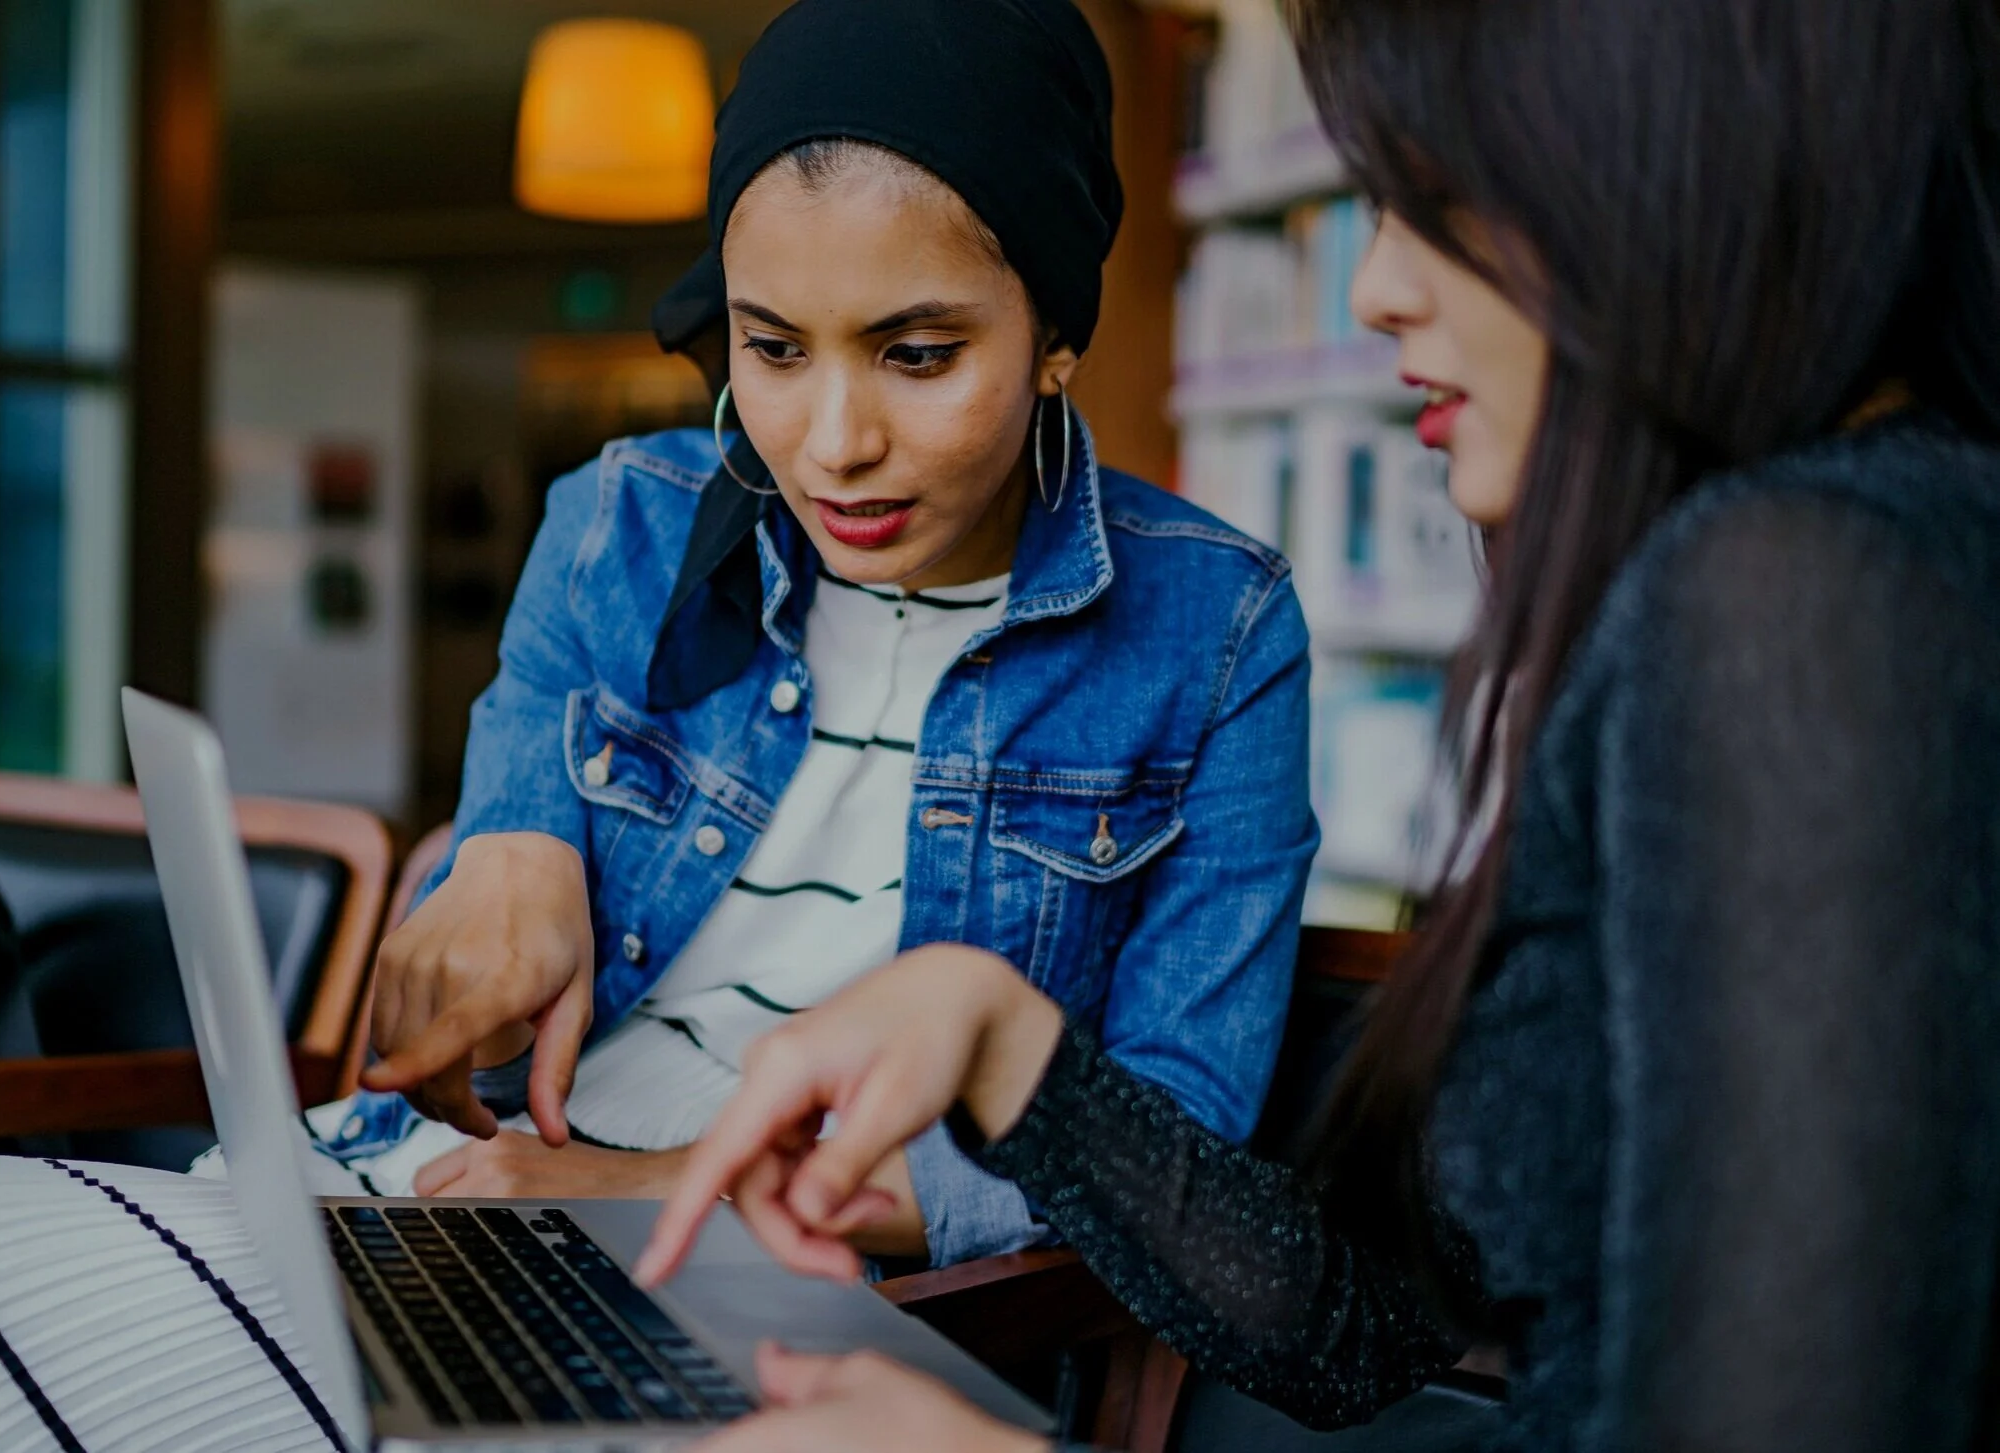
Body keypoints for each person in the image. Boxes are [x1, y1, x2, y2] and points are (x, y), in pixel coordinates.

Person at [638, 0, 2000, 1446]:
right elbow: (1358, 1331)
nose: (1377, 290)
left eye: (1434, 199)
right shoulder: (1820, 567)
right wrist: (1008, 1051)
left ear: (1677, 167)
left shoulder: (1800, 593)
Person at [327, 0, 1318, 1273]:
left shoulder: (1218, 633)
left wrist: (651, 1187)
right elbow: (497, 911)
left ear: (1056, 336)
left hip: (798, 1282)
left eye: (916, 354)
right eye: (775, 350)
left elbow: (1166, 1143)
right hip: (456, 1183)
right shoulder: (618, 521)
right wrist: (502, 859)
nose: (834, 443)